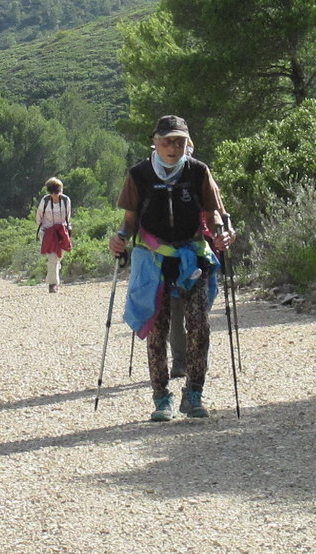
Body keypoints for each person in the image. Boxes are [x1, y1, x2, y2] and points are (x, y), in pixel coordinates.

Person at [110, 115, 235, 422]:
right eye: (167, 141)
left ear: (186, 143)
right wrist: (121, 238)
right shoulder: (138, 174)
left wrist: (221, 232)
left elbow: (211, 213)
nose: (173, 147)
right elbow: (130, 219)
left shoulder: (198, 171)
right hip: (154, 260)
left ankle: (193, 393)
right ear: (155, 141)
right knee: (157, 327)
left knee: (200, 325)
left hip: (192, 255)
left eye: (179, 141)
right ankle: (161, 397)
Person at [36, 177, 72, 293]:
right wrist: (44, 230)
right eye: (53, 192)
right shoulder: (45, 201)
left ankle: (53, 272)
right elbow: (39, 217)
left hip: (61, 231)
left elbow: (68, 216)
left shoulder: (66, 200)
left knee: (58, 256)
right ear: (49, 192)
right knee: (53, 257)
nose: (55, 195)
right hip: (48, 232)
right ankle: (53, 284)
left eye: (57, 192)